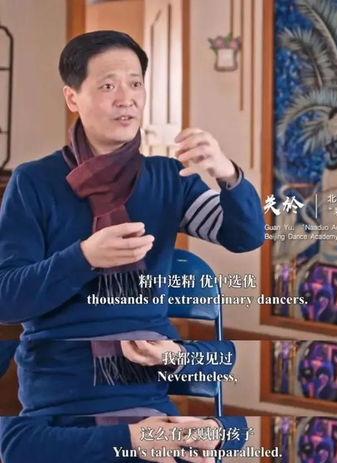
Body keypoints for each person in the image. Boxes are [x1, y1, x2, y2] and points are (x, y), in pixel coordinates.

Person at [0, 30, 264, 462]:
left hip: (147, 398)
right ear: (73, 97)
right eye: (108, 85)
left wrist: (228, 175)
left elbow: (245, 236)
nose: (126, 98)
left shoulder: (169, 178)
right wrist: (84, 257)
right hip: (60, 402)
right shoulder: (34, 182)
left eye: (135, 83)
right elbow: (7, 299)